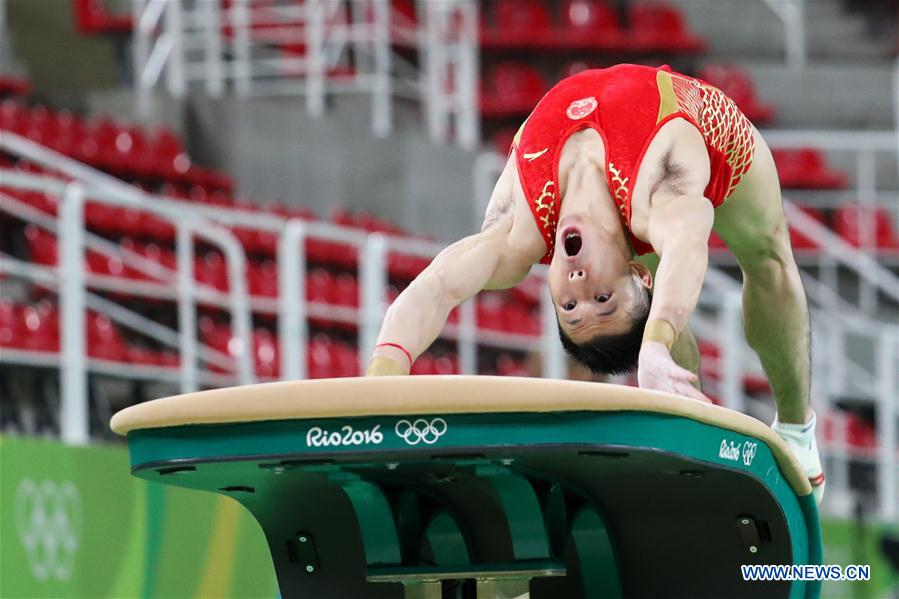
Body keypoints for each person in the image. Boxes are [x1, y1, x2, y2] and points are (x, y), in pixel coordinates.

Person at [365, 64, 824, 502]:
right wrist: (658, 340)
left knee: (745, 271)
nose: (580, 288)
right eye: (601, 300)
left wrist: (382, 377)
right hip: (704, 125)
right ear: (637, 273)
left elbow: (437, 287)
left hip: (662, 146)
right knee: (741, 267)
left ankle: (795, 428)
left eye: (569, 309)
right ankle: (725, 429)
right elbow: (687, 245)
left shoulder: (518, 232)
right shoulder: (659, 193)